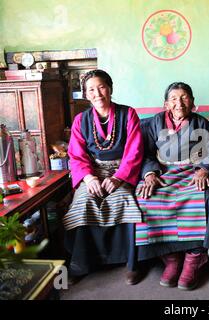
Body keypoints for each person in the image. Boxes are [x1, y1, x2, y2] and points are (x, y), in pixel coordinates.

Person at [128, 82, 209, 290]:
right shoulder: (152, 124)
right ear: (166, 103)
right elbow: (146, 153)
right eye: (174, 99)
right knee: (144, 197)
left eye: (185, 97)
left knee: (202, 195)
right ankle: (170, 258)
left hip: (192, 172)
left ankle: (193, 258)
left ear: (193, 102)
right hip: (163, 172)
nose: (180, 103)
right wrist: (150, 174)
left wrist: (204, 169)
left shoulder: (201, 123)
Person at [63, 69, 143, 284]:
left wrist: (119, 178)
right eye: (91, 89)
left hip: (121, 172)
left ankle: (130, 263)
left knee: (124, 201)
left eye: (101, 87)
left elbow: (134, 150)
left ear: (110, 89)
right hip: (92, 172)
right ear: (86, 94)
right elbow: (76, 154)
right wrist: (89, 178)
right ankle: (80, 264)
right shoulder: (81, 120)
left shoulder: (128, 114)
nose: (97, 93)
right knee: (83, 202)